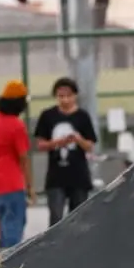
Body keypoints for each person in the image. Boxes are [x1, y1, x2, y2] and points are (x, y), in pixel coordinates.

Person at [34, 77, 98, 226]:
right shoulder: (47, 116)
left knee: (79, 218)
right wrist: (58, 142)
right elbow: (41, 145)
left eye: (68, 96)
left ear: (75, 96)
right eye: (61, 96)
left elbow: (90, 145)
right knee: (56, 217)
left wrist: (78, 139)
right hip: (56, 177)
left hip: (79, 175)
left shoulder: (82, 116)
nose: (65, 100)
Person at [0, 81, 33, 248]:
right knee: (14, 229)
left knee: (4, 228)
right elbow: (24, 158)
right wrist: (30, 187)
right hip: (12, 184)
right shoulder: (16, 125)